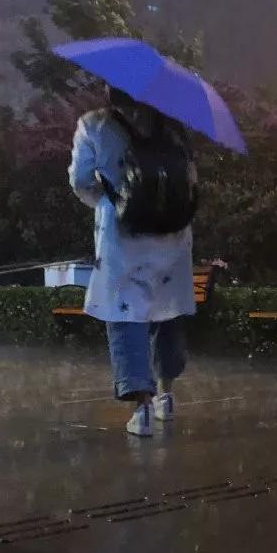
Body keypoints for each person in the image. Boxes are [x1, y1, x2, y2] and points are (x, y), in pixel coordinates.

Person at [68, 87, 198, 437]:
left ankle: (141, 409)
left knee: (126, 317)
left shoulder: (94, 124)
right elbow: (190, 179)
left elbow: (80, 182)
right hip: (173, 237)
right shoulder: (172, 126)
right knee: (168, 314)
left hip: (122, 237)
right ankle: (167, 397)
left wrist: (110, 201)